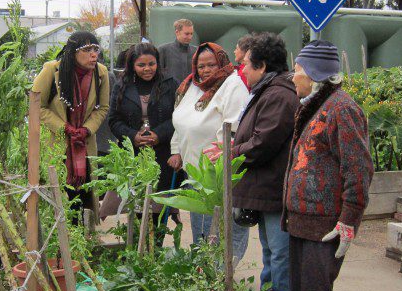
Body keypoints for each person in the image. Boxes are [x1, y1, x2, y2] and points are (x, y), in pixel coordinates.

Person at [284, 40, 373, 291]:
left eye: (296, 70)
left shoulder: (342, 109)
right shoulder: (315, 105)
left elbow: (358, 168)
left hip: (324, 227)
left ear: (313, 73)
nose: (292, 76)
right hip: (301, 223)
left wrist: (349, 220)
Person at [207, 32, 298, 291]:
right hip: (266, 190)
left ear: (263, 66)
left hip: (274, 190)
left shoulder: (279, 95)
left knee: (279, 254)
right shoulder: (267, 91)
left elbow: (262, 143)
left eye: (247, 63)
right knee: (271, 252)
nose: (242, 68)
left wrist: (230, 153)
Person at [168, 42, 250, 261]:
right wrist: (176, 150)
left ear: (222, 62)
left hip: (218, 174)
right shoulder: (192, 85)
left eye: (211, 65)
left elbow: (235, 129)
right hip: (194, 170)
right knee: (200, 228)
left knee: (219, 229)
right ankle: (204, 273)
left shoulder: (232, 86)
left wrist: (222, 155)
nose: (205, 70)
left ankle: (220, 276)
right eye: (200, 66)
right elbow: (180, 120)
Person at [31, 31, 110, 222]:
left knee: (82, 196)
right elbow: (35, 105)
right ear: (73, 52)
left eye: (96, 49)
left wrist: (86, 129)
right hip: (58, 144)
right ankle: (58, 244)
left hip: (84, 144)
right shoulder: (52, 70)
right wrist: (64, 127)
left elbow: (103, 107)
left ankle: (80, 240)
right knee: (58, 195)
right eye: (87, 50)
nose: (94, 55)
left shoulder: (100, 73)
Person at [107, 42, 181, 236]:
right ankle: (139, 249)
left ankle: (155, 248)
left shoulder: (170, 83)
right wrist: (133, 136)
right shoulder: (121, 86)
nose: (147, 69)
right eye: (141, 65)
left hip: (163, 154)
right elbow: (114, 120)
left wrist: (159, 134)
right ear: (132, 66)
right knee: (137, 206)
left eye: (151, 64)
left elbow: (179, 117)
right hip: (134, 155)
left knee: (160, 206)